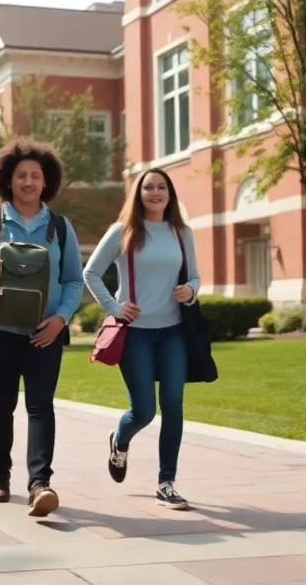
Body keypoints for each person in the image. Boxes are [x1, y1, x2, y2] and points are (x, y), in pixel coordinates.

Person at [0, 138, 83, 518]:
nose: (28, 182)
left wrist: (60, 319)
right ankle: (0, 474)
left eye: (35, 176)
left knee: (41, 406)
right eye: (21, 175)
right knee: (2, 406)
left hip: (45, 332)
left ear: (46, 183)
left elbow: (74, 280)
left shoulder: (59, 226)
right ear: (7, 181)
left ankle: (39, 483)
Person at [83, 169, 200, 511]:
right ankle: (119, 441)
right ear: (138, 193)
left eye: (161, 186)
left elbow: (194, 275)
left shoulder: (182, 232)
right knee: (144, 411)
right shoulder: (123, 231)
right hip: (135, 335)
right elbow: (90, 272)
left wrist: (190, 290)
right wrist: (114, 307)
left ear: (170, 193)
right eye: (148, 187)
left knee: (174, 406)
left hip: (174, 332)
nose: (155, 192)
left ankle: (167, 483)